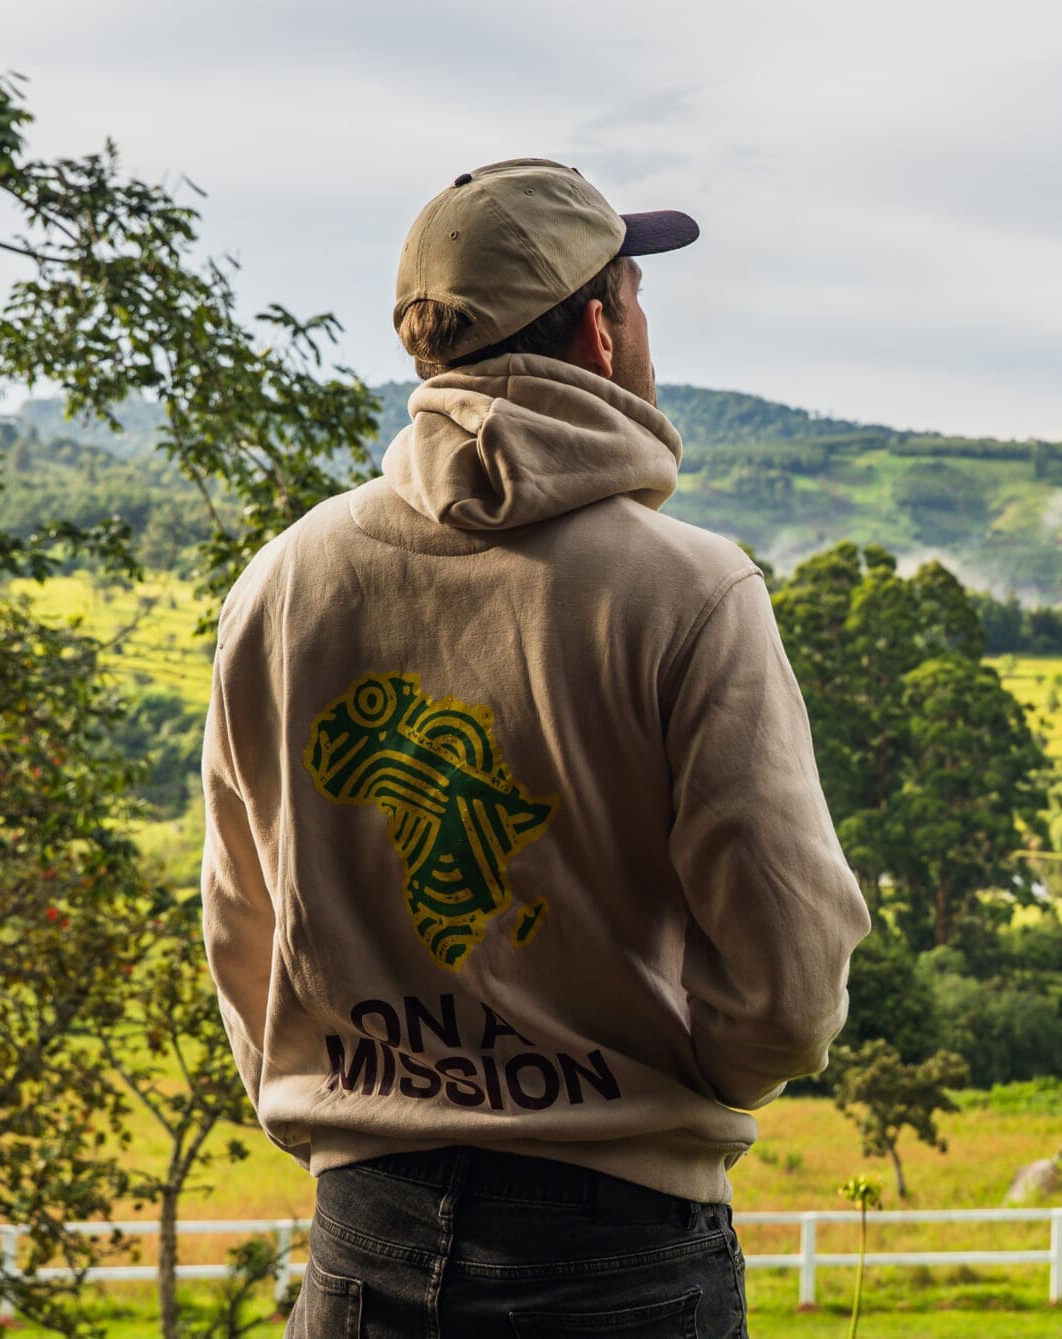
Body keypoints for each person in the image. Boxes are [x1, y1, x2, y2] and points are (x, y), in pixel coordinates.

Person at [201, 157, 870, 1338]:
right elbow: (789, 986)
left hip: (361, 1243)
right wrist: (658, 1091)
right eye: (636, 296)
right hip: (619, 1254)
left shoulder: (286, 579)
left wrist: (368, 1105)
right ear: (602, 333)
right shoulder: (688, 591)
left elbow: (242, 926)